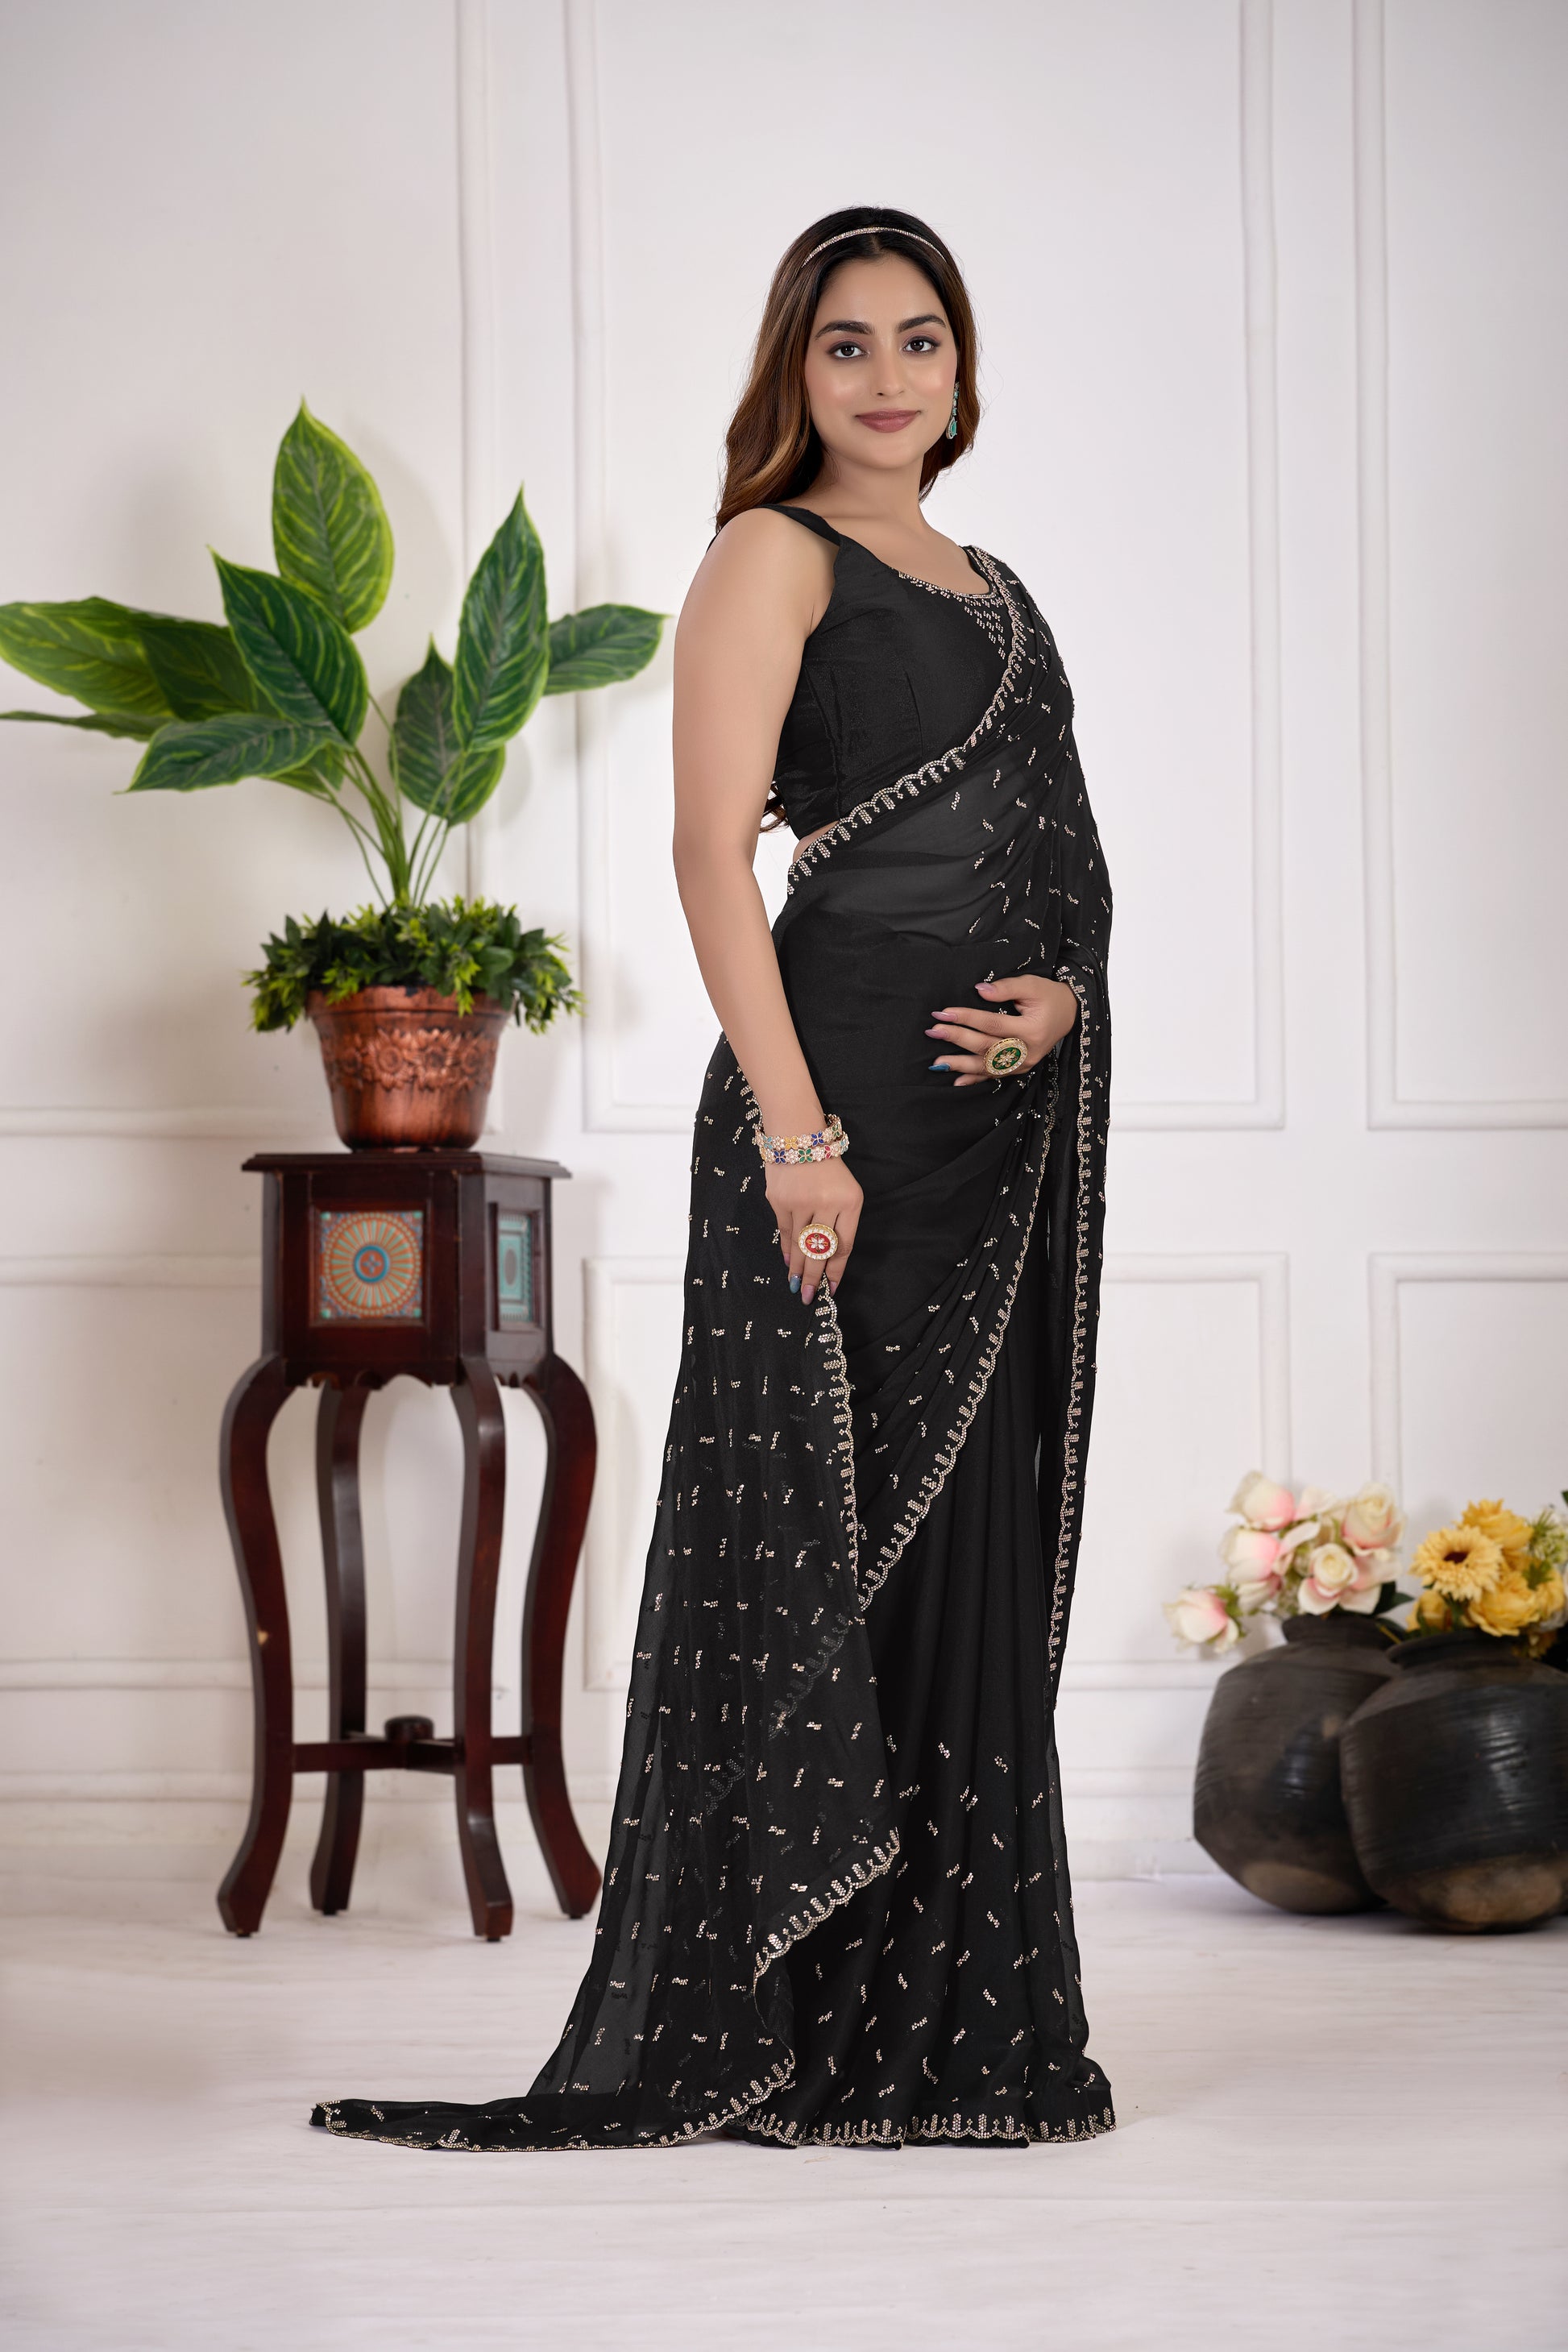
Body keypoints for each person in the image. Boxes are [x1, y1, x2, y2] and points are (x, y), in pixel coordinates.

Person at [313, 204, 1115, 2151]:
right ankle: (780, 2026)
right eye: (847, 344)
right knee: (813, 1552)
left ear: (962, 367)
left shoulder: (999, 585)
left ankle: (944, 2032)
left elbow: (1057, 849)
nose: (887, 377)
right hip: (839, 1119)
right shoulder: (771, 553)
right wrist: (797, 1136)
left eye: (919, 339)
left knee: (955, 1550)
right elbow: (706, 855)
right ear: (793, 373)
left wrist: (1063, 998)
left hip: (990, 1138)